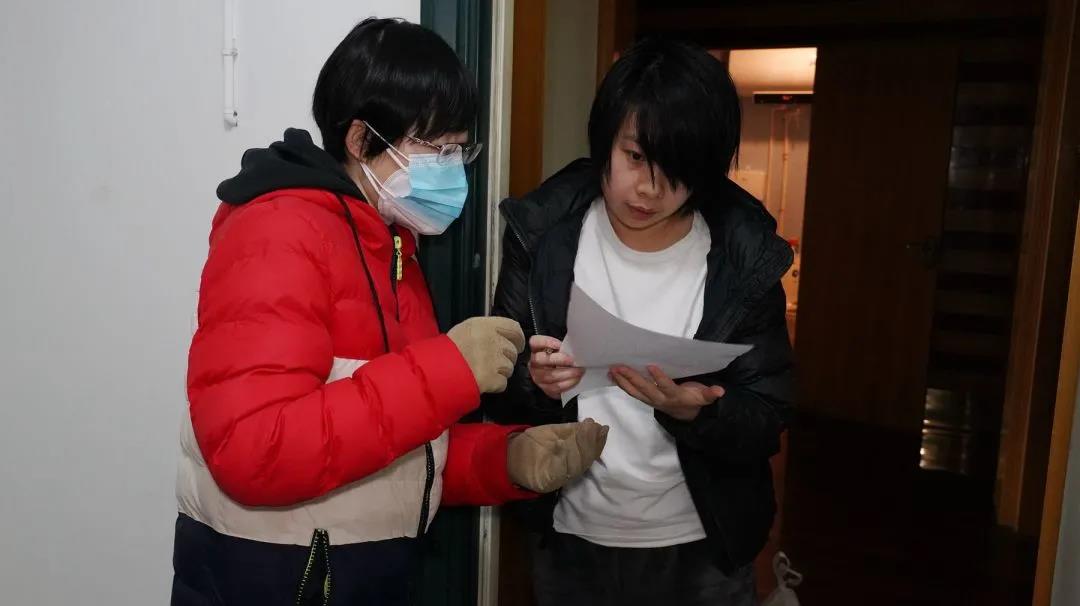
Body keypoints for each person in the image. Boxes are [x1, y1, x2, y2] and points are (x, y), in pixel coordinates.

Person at [172, 18, 607, 606]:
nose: (451, 168)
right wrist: (450, 369)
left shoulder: (390, 243)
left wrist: (505, 459)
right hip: (275, 578)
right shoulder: (278, 232)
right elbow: (255, 450)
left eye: (459, 149)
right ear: (360, 139)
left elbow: (390, 443)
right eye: (435, 148)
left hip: (356, 573)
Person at [484, 38, 794, 606]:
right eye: (634, 157)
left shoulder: (743, 257)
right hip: (572, 538)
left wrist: (700, 412)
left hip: (701, 546)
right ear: (605, 140)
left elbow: (768, 414)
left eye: (676, 170)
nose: (650, 188)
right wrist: (535, 383)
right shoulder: (544, 235)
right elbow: (497, 394)